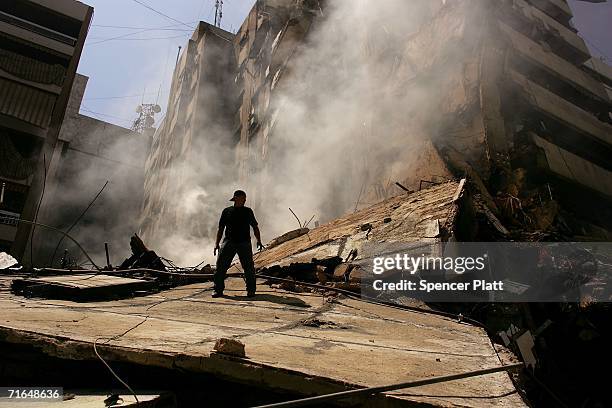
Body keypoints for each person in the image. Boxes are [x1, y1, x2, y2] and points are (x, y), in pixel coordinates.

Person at [213, 190, 264, 297]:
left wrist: (259, 240)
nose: (244, 200)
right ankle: (218, 289)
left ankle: (251, 290)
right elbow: (221, 229)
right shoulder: (227, 211)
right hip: (229, 242)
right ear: (236, 199)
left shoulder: (248, 211)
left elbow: (255, 227)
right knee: (221, 266)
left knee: (248, 267)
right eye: (242, 198)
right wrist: (216, 244)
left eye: (245, 199)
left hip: (244, 243)